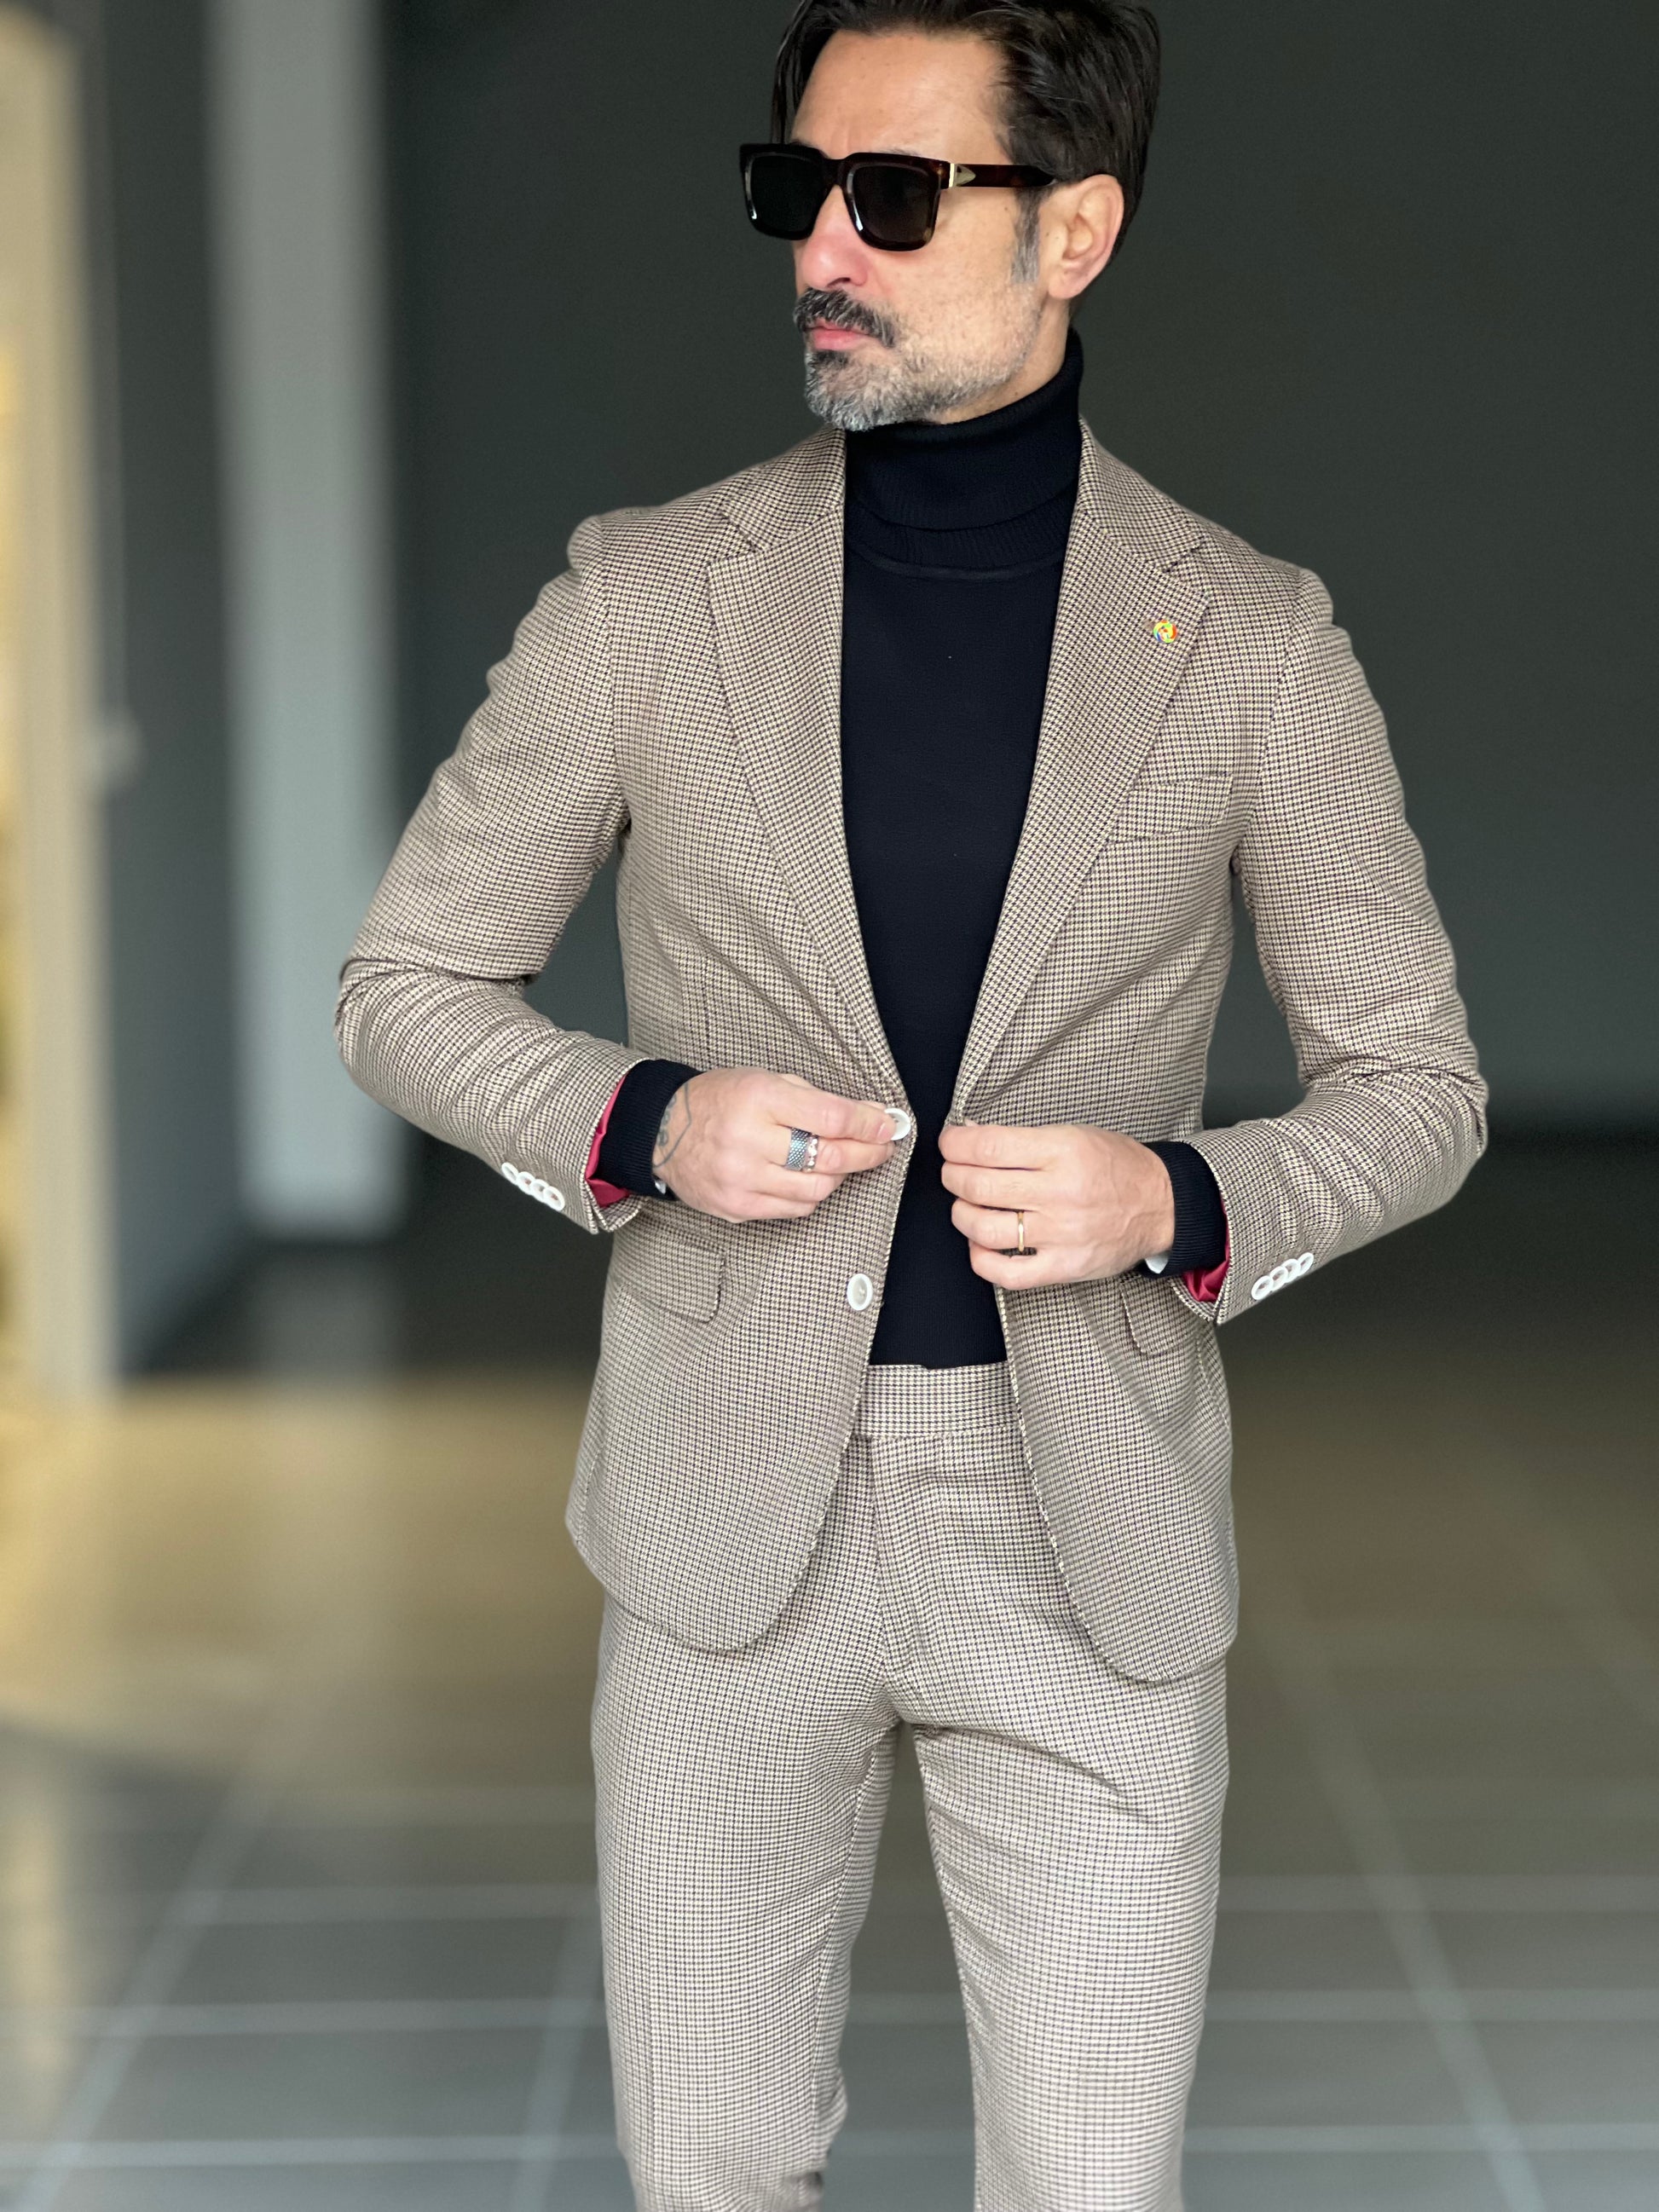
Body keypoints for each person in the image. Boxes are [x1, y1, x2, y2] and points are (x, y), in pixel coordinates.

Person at [337, 2, 1487, 2203]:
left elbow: (1416, 1090)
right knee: (712, 2168)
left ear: (1077, 231)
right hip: (719, 1523)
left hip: (1087, 1537)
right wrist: (646, 1120)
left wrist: (1177, 1195)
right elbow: (405, 986)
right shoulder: (646, 597)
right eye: (797, 189)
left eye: (888, 197)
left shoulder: (1251, 640)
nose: (820, 251)